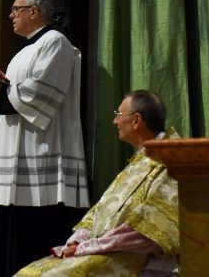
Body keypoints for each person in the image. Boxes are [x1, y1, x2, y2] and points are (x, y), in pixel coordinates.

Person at [0, 0, 90, 276]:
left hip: (41, 158)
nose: (11, 15)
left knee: (34, 235)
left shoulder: (56, 43)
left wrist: (2, 90)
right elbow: (15, 99)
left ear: (34, 11)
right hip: (18, 156)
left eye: (16, 9)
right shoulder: (24, 51)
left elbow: (40, 96)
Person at [16, 90, 179, 276]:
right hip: (99, 251)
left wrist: (87, 247)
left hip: (131, 260)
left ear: (136, 120)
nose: (115, 121)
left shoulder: (169, 161)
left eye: (118, 115)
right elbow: (101, 210)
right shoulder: (142, 160)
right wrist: (77, 242)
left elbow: (151, 231)